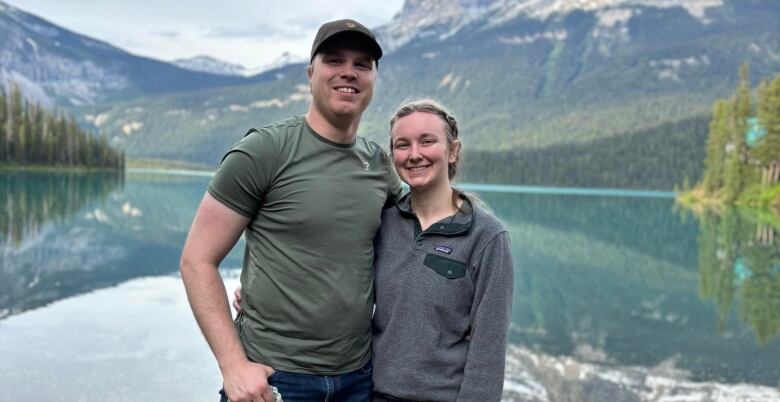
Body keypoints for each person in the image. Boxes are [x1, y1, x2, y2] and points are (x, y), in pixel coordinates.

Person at [180, 18, 400, 402]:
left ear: (374, 78)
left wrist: (459, 311)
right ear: (310, 72)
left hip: (359, 378)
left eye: (362, 64)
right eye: (334, 60)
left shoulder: (379, 165)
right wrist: (233, 366)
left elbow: (416, 242)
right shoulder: (264, 151)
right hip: (275, 380)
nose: (348, 72)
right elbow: (197, 260)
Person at [235, 99, 514, 401]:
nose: (415, 154)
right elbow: (339, 276)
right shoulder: (383, 224)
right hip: (369, 392)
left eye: (427, 141)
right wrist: (265, 296)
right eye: (402, 145)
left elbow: (488, 349)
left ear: (453, 150)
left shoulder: (487, 237)